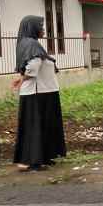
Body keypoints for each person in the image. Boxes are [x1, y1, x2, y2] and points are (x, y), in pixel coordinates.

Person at [11, 15, 66, 171]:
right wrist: (23, 78)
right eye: (40, 27)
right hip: (39, 93)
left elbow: (33, 65)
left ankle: (43, 157)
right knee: (36, 127)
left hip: (42, 91)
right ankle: (33, 161)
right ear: (32, 28)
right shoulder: (31, 44)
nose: (42, 30)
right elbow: (34, 65)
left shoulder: (27, 43)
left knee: (41, 126)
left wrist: (21, 78)